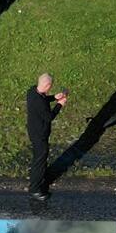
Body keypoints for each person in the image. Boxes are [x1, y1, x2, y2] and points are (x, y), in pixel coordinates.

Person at [25, 73, 67, 201]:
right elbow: (49, 117)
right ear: (48, 85)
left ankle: (37, 178)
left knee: (39, 158)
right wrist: (60, 104)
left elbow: (43, 99)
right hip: (40, 135)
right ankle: (35, 190)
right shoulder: (39, 102)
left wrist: (54, 97)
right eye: (51, 87)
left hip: (34, 131)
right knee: (40, 160)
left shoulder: (32, 91)